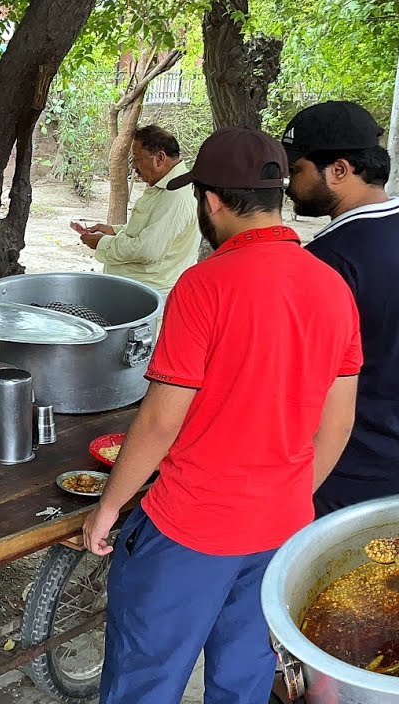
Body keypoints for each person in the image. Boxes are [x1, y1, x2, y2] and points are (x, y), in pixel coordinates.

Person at [81, 128, 362, 704]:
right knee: (244, 682)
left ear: (210, 201)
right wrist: (284, 496)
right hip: (282, 531)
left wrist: (108, 508)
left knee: (146, 679)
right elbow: (337, 424)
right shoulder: (333, 287)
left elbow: (161, 422)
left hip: (190, 528)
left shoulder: (204, 285)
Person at [282, 101, 399, 517]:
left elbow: (300, 380)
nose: (289, 184)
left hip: (342, 463)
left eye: (297, 169)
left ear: (339, 170)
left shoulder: (329, 260)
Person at [76, 125, 199, 303]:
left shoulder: (176, 196)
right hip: (135, 293)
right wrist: (114, 230)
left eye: (137, 159)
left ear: (159, 158)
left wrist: (101, 243)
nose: (133, 166)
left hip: (148, 299)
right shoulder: (165, 187)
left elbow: (148, 250)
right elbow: (149, 229)